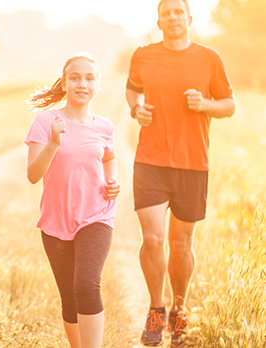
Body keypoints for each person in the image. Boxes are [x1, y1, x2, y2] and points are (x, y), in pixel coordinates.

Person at [125, 0, 236, 346]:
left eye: (178, 12)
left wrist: (205, 105)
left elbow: (229, 105)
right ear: (158, 22)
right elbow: (132, 90)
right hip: (150, 161)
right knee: (154, 239)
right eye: (166, 13)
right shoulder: (143, 55)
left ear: (189, 18)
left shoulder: (209, 58)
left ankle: (179, 309)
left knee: (180, 243)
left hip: (192, 163)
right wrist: (135, 109)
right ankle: (156, 310)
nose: (172, 18)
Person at [25, 53, 120, 348]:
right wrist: (54, 142)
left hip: (97, 215)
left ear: (97, 84)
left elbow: (110, 157)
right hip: (56, 220)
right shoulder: (45, 121)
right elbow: (32, 174)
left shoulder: (104, 126)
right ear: (64, 83)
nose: (82, 84)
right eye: (75, 77)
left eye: (89, 78)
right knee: (69, 296)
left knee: (86, 286)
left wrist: (112, 181)